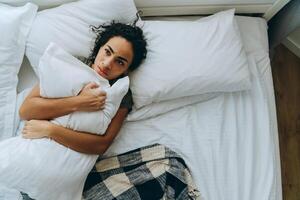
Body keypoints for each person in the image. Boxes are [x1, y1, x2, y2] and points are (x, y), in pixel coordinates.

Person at [19, 19, 147, 155]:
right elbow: (26, 111)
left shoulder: (122, 93)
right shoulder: (73, 64)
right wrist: (79, 102)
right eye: (107, 52)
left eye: (120, 62)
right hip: (32, 142)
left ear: (127, 70)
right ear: (100, 47)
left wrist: (51, 130)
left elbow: (101, 145)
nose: (107, 64)